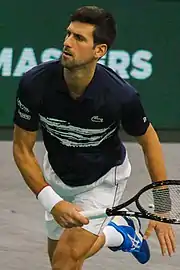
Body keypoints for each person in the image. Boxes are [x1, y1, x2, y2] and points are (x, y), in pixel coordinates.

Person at [13, 5, 176, 270]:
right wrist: (52, 201)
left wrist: (162, 206)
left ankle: (115, 232)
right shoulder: (35, 84)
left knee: (65, 261)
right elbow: (22, 148)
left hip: (101, 181)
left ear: (99, 50)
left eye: (79, 38)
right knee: (59, 259)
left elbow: (149, 140)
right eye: (68, 34)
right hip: (57, 176)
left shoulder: (120, 96)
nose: (67, 42)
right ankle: (118, 234)